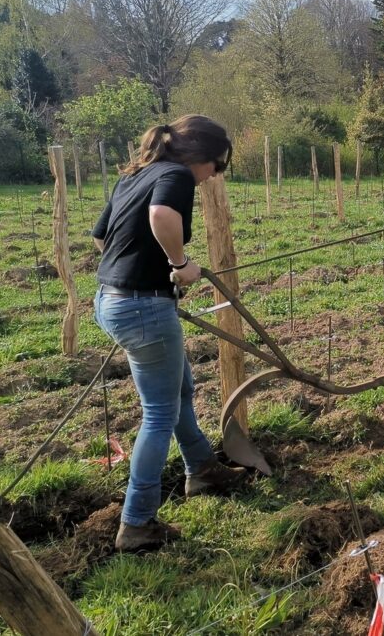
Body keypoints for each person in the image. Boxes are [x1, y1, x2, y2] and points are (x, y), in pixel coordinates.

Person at [92, 115, 247, 552]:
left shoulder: (136, 174)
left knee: (179, 389)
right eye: (216, 167)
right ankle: (137, 523)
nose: (213, 177)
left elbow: (102, 237)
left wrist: (142, 265)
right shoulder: (176, 173)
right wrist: (178, 266)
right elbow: (160, 215)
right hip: (143, 306)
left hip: (111, 299)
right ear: (201, 156)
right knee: (159, 412)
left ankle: (202, 470)